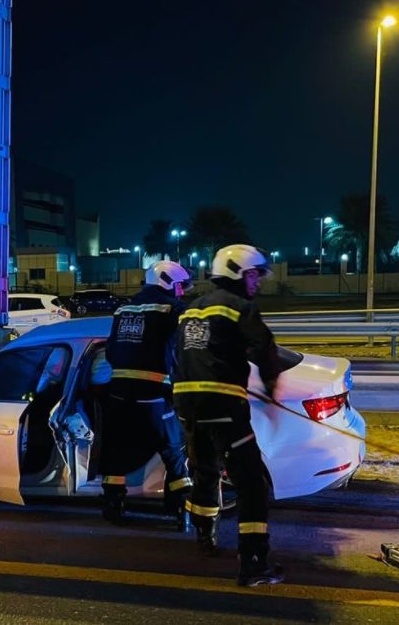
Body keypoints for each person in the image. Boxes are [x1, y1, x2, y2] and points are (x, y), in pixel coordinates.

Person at [173, 244, 285, 587]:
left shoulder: (191, 310)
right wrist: (270, 386)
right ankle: (253, 563)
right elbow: (265, 348)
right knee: (252, 484)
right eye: (254, 275)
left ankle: (205, 539)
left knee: (205, 473)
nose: (258, 282)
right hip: (223, 406)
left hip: (187, 407)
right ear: (238, 272)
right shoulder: (239, 307)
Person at [100, 261, 194, 530]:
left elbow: (110, 351)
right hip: (154, 396)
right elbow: (181, 352)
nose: (182, 292)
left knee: (116, 453)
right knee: (173, 452)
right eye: (180, 286)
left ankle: (113, 508)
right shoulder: (173, 309)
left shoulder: (123, 309)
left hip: (118, 395)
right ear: (166, 282)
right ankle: (181, 512)